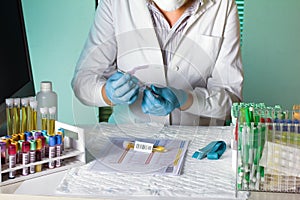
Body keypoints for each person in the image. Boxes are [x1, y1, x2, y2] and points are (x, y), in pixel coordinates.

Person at [71, 0, 244, 126]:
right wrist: (107, 93)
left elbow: (231, 101)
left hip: (198, 144)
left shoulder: (224, 6)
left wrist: (186, 99)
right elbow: (82, 82)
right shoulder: (115, 3)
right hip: (129, 138)